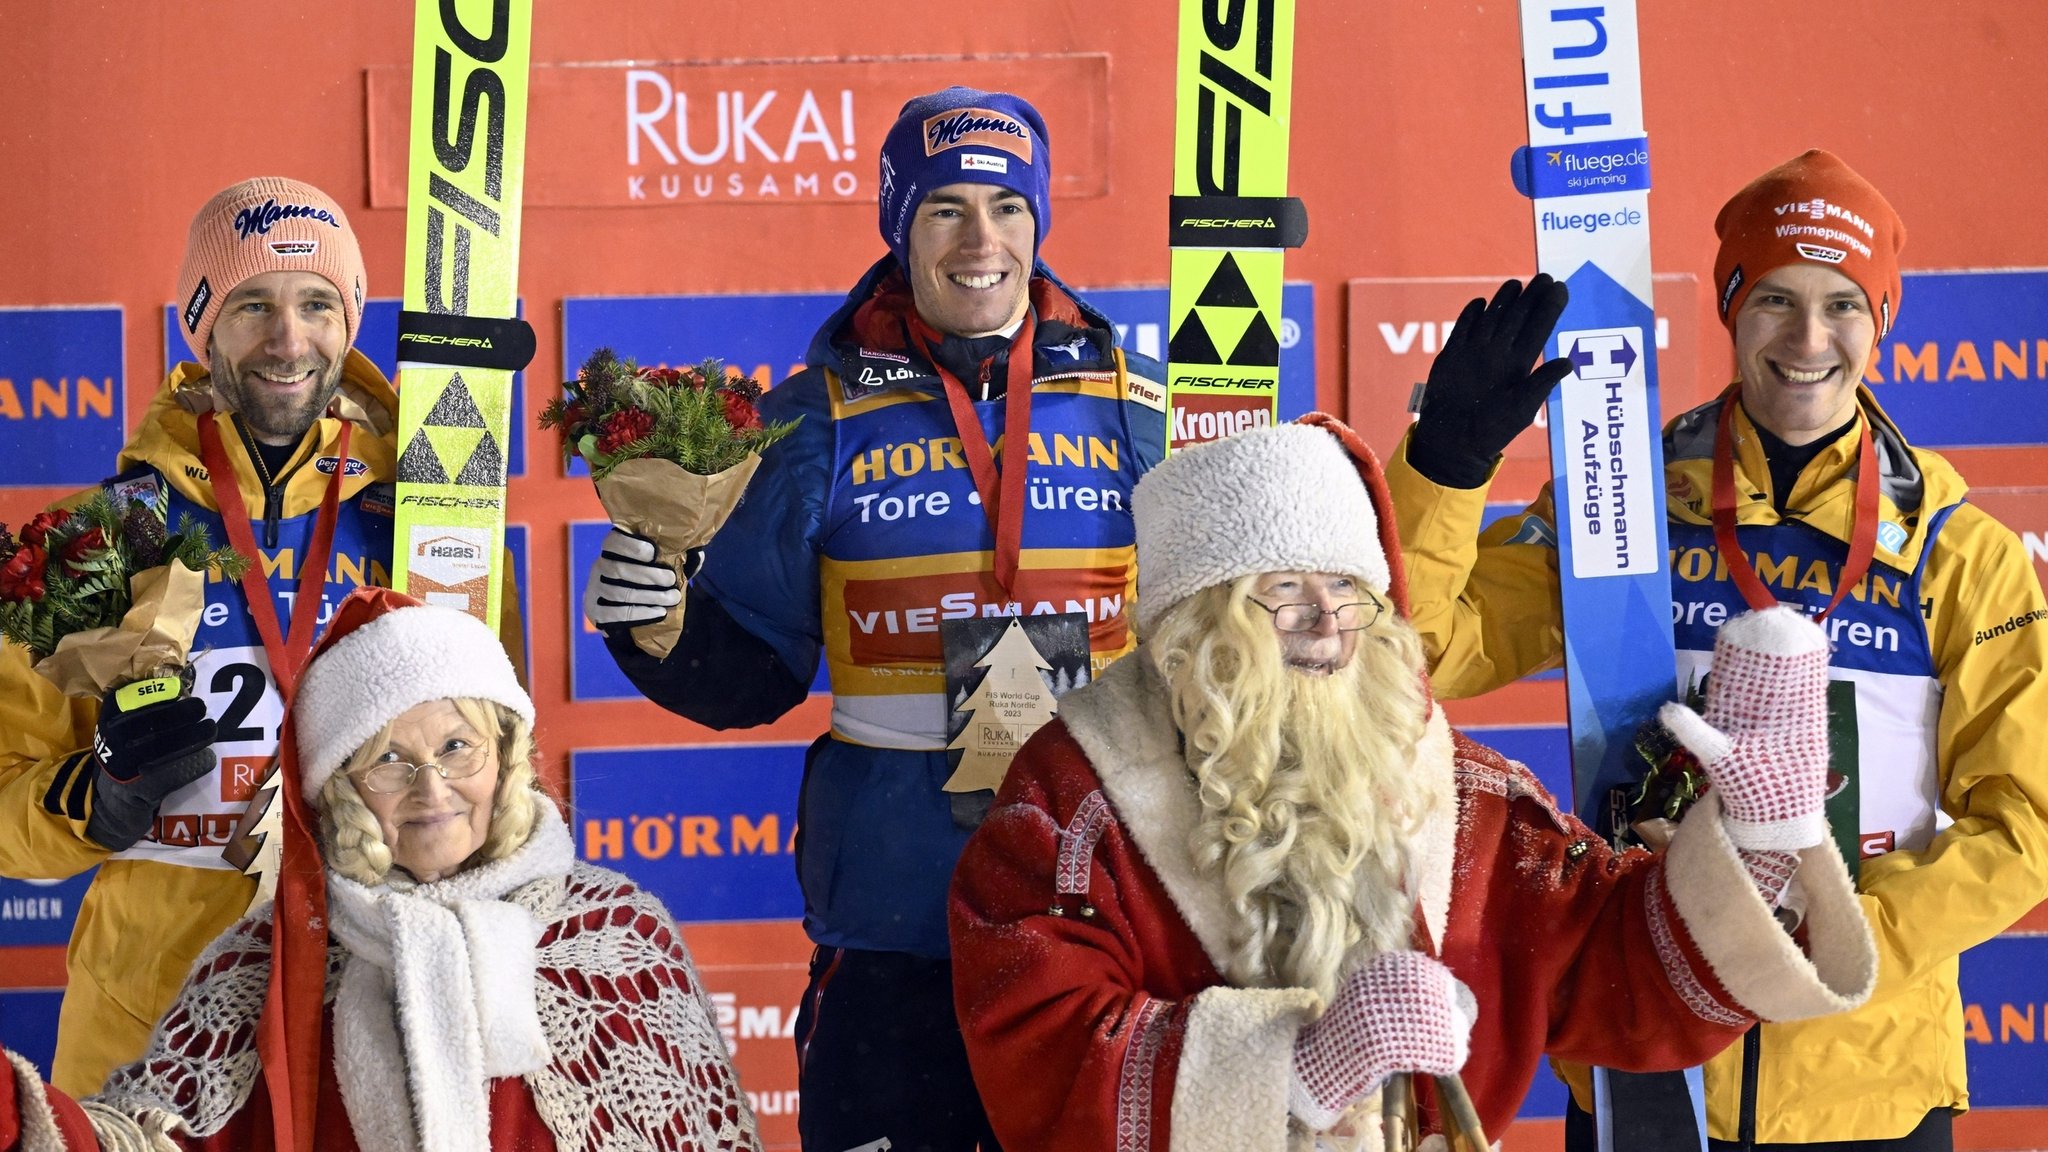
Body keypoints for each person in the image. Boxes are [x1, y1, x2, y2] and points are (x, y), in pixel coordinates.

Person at [946, 417, 1877, 1151]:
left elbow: (1615, 974)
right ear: (1196, 625)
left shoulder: (1466, 798)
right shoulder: (1073, 802)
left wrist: (1756, 842)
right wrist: (1297, 1070)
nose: (1326, 620)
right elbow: (1038, 1045)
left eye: (1349, 588)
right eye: (1282, 588)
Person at [1389, 150, 2048, 1149]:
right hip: (1642, 1039)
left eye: (1842, 306)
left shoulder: (1957, 553)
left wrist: (1845, 939)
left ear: (1880, 321)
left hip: (1857, 1076)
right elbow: (1424, 652)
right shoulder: (1622, 506)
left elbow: (2025, 820)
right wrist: (1442, 466)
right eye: (1774, 299)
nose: (1807, 338)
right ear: (1729, 306)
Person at [584, 86, 1167, 1149]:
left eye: (1006, 206)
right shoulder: (819, 413)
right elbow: (754, 672)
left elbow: (1226, 641)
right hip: (900, 926)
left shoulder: (1137, 402)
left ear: (1038, 224)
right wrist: (652, 623)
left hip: (1106, 914)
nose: (980, 240)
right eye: (944, 208)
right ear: (900, 227)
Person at [0, 176, 525, 1097]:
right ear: (202, 325)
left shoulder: (428, 533)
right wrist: (100, 798)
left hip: (375, 1000)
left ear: (350, 320)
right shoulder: (102, 539)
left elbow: (498, 770)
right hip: (150, 1015)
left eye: (318, 303)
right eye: (252, 305)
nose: (289, 340)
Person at [0, 587, 758, 1151]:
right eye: (388, 760)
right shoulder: (266, 964)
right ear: (339, 789)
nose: (433, 789)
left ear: (507, 757)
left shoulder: (614, 937)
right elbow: (158, 1141)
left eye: (458, 747)